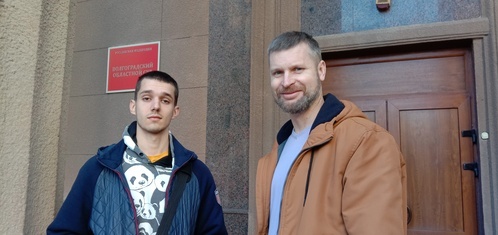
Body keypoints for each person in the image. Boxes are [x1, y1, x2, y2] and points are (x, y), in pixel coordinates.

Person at [255, 31, 407, 235]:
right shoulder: (278, 149)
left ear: (321, 70)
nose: (286, 81)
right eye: (277, 73)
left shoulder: (367, 142)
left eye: (297, 69)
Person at [47, 71, 227, 235]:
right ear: (133, 106)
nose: (156, 106)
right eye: (147, 98)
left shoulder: (197, 174)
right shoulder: (98, 169)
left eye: (165, 100)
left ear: (175, 111)